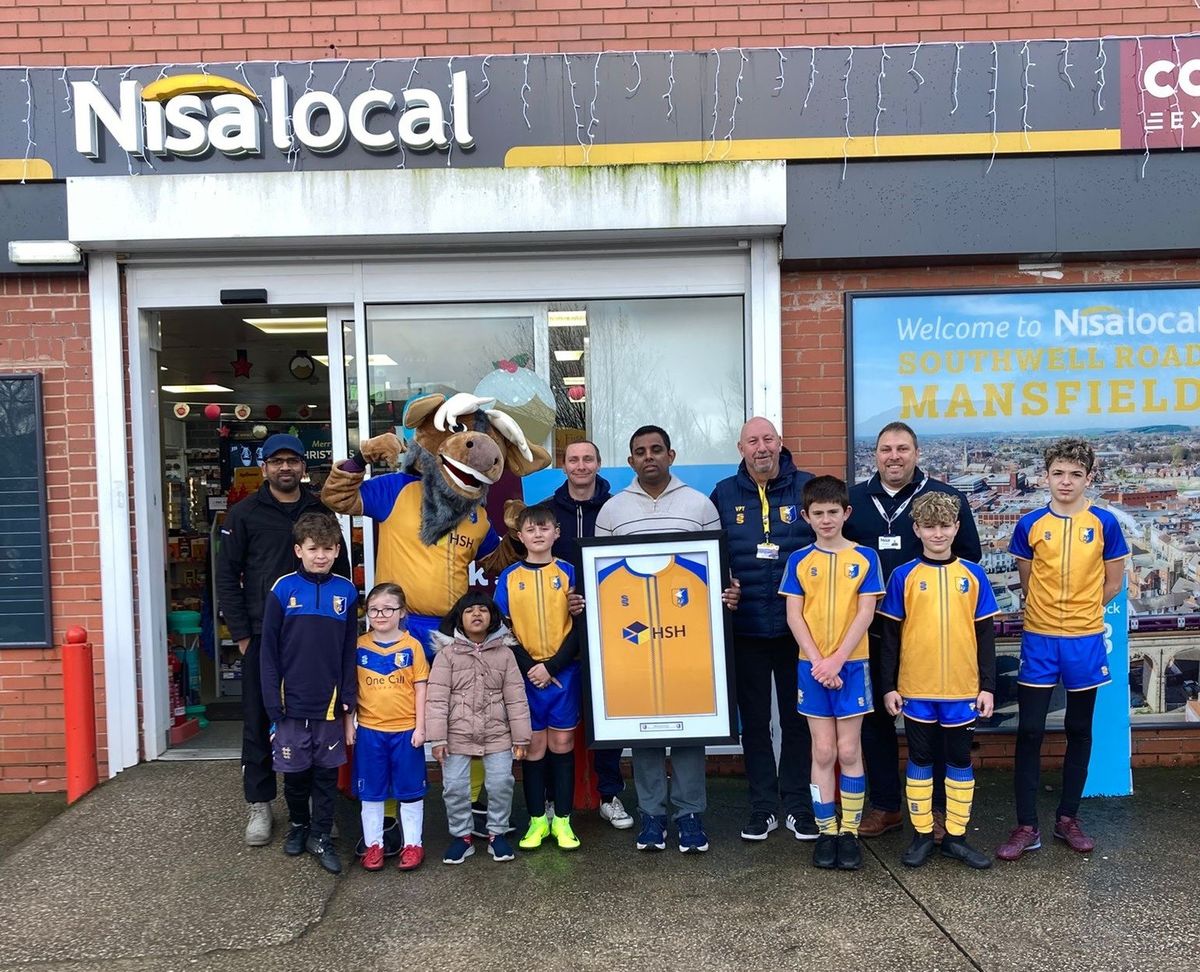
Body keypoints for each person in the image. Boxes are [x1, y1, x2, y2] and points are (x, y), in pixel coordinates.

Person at [594, 425, 739, 854]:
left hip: (688, 636)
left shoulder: (698, 504)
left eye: (657, 450)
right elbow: (600, 575)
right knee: (645, 729)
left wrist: (728, 591)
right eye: (640, 451)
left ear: (671, 455)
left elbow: (717, 568)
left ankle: (690, 814)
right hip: (634, 640)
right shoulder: (613, 511)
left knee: (690, 726)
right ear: (631, 460)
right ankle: (652, 816)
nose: (649, 457)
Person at [844, 422, 981, 839]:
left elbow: (970, 562)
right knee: (876, 722)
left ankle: (938, 810)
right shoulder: (854, 502)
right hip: (869, 632)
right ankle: (886, 807)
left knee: (935, 724)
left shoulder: (945, 500)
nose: (894, 456)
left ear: (917, 453)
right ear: (875, 454)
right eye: (886, 449)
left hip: (929, 635)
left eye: (902, 448)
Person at [996, 439, 1128, 862]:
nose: (1066, 481)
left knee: (1079, 730)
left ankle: (1068, 818)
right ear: (1046, 476)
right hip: (1039, 638)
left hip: (1085, 640)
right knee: (1030, 731)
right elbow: (1027, 578)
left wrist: (1083, 613)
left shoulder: (1105, 523)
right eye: (1058, 473)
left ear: (1088, 478)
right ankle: (1026, 825)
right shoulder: (1030, 524)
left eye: (1075, 474)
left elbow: (1112, 583)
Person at [216, 433, 350, 848]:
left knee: (310, 721)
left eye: (293, 460)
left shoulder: (320, 510)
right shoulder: (243, 514)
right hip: (261, 636)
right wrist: (240, 634)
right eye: (278, 461)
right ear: (265, 467)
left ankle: (308, 806)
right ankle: (259, 804)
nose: (286, 468)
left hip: (314, 639)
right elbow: (226, 577)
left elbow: (341, 569)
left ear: (303, 467)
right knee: (260, 722)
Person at [710, 416, 819, 843]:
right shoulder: (723, 494)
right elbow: (711, 557)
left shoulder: (807, 486)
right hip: (748, 628)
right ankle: (762, 807)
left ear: (780, 443)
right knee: (754, 723)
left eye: (768, 439)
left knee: (797, 721)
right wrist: (724, 586)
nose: (761, 447)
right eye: (752, 441)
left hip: (800, 632)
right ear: (741, 449)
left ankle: (797, 805)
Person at [878, 492, 997, 870]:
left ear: (957, 528)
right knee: (920, 759)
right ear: (917, 529)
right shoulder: (903, 576)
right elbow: (890, 637)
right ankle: (922, 835)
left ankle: (957, 837)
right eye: (929, 526)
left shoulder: (974, 575)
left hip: (963, 689)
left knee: (959, 759)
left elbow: (986, 636)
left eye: (945, 526)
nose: (938, 533)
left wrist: (988, 686)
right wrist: (889, 686)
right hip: (916, 689)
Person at [779, 476, 884, 870]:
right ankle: (826, 831)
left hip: (852, 666)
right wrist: (819, 662)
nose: (826, 520)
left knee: (849, 750)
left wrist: (837, 659)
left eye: (833, 513)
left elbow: (865, 612)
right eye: (818, 514)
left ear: (846, 513)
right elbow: (794, 615)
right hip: (812, 667)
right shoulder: (799, 561)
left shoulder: (865, 558)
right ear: (806, 516)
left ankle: (850, 833)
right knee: (822, 750)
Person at [258, 512, 359, 875]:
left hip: (330, 704)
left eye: (329, 549)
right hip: (289, 703)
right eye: (314, 548)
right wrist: (272, 698)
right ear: (299, 550)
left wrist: (348, 694)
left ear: (337, 551)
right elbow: (268, 651)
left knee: (326, 776)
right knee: (295, 774)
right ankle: (299, 825)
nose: (321, 556)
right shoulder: (283, 589)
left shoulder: (346, 592)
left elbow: (349, 649)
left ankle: (321, 834)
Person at [543, 439, 632, 830]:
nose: (581, 466)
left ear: (599, 464)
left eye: (588, 459)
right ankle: (548, 800)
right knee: (549, 714)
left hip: (608, 622)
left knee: (606, 708)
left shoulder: (617, 507)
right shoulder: (546, 510)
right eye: (573, 459)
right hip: (556, 626)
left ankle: (609, 794)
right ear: (564, 466)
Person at [495, 504, 582, 851]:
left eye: (545, 528)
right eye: (531, 530)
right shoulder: (509, 577)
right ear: (520, 536)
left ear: (556, 533)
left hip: (563, 674)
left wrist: (553, 666)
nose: (538, 534)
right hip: (525, 675)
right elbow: (501, 628)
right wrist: (531, 666)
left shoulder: (570, 572)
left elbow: (580, 625)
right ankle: (536, 822)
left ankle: (563, 821)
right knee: (532, 748)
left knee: (562, 745)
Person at [426, 592, 531, 864]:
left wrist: (521, 737)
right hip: (457, 734)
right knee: (455, 787)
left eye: (482, 610)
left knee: (501, 784)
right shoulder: (446, 655)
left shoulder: (505, 654)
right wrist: (437, 738)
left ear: (492, 617)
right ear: (459, 618)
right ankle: (462, 836)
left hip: (498, 734)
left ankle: (497, 833)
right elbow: (436, 698)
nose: (476, 614)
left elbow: (516, 697)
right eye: (469, 610)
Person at [345, 582, 428, 873]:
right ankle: (374, 845)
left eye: (388, 609)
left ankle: (413, 845)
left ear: (402, 612)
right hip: (369, 731)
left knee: (410, 792)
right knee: (372, 793)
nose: (380, 615)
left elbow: (420, 689)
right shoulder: (358, 646)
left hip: (406, 731)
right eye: (374, 610)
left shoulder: (412, 646)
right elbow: (351, 689)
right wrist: (349, 723)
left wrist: (421, 726)